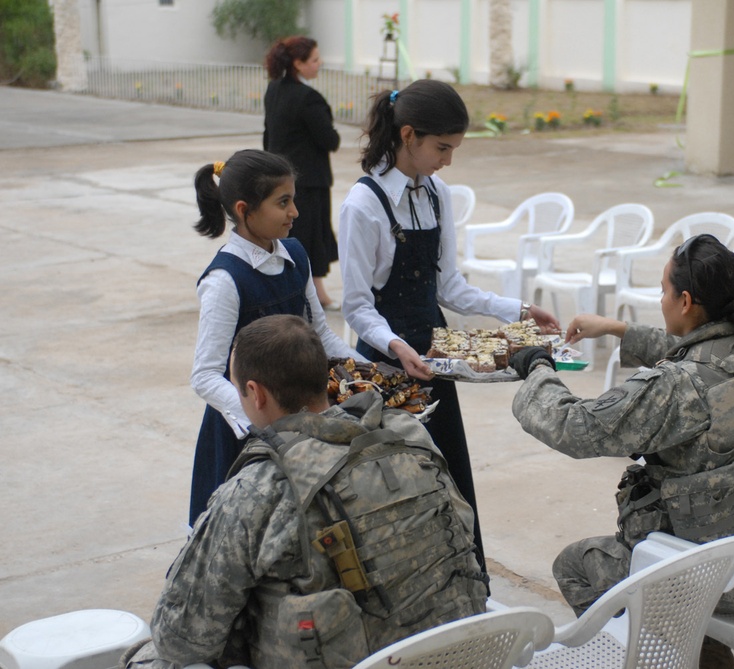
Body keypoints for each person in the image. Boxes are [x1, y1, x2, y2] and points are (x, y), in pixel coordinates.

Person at [508, 235, 734, 669]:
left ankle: (671, 657)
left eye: (662, 291)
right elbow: (705, 353)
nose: (660, 299)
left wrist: (537, 367)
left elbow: (574, 427)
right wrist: (617, 328)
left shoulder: (679, 387)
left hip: (728, 582)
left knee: (577, 565)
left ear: (686, 300)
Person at [127, 315, 486, 669]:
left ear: (255, 393)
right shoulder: (410, 437)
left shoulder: (258, 489)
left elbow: (181, 638)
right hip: (456, 656)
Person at [338, 79, 560, 571]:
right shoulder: (364, 204)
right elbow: (355, 307)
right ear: (409, 135)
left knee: (447, 471)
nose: (448, 161)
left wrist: (519, 311)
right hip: (387, 364)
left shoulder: (437, 192)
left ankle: (458, 581)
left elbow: (449, 287)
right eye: (442, 148)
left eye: (454, 149)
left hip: (434, 354)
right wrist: (395, 347)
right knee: (394, 484)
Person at [188, 149, 360, 526]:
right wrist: (257, 420)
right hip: (244, 436)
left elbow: (319, 334)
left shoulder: (296, 255)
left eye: (293, 199)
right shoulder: (224, 280)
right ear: (244, 209)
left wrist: (362, 372)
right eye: (283, 202)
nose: (295, 212)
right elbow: (204, 376)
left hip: (300, 422)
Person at [264, 36, 341, 309]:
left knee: (290, 235)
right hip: (310, 181)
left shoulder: (274, 90)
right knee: (311, 237)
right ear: (298, 63)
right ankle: (315, 295)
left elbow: (268, 134)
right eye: (315, 60)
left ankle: (315, 292)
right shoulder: (309, 98)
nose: (320, 64)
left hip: (279, 179)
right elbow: (329, 140)